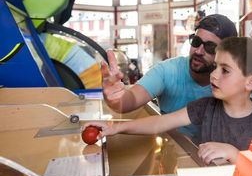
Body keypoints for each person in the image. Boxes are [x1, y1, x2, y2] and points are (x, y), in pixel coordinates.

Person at [84, 37, 252, 165]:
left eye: (224, 70)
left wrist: (235, 155)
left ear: (251, 82)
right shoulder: (206, 107)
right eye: (215, 67)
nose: (214, 75)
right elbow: (159, 123)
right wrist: (115, 127)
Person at [101, 14, 238, 138]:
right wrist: (117, 100)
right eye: (196, 42)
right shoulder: (167, 70)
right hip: (174, 154)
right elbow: (132, 99)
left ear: (226, 54)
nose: (199, 51)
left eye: (209, 47)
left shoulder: (236, 84)